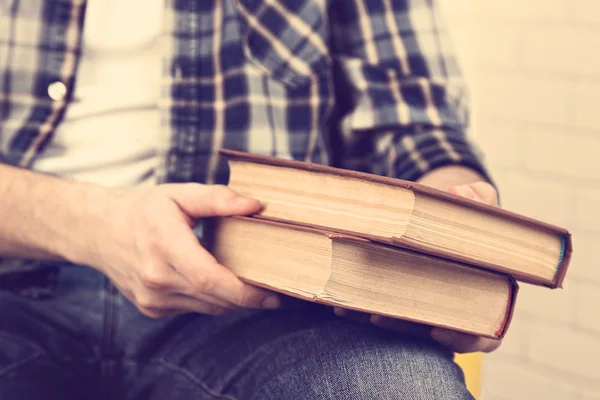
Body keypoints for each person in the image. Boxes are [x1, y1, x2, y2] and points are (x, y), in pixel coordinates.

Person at [0, 0, 501, 398]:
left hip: (268, 299)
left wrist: (454, 236)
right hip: (16, 287)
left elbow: (417, 130)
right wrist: (95, 226)